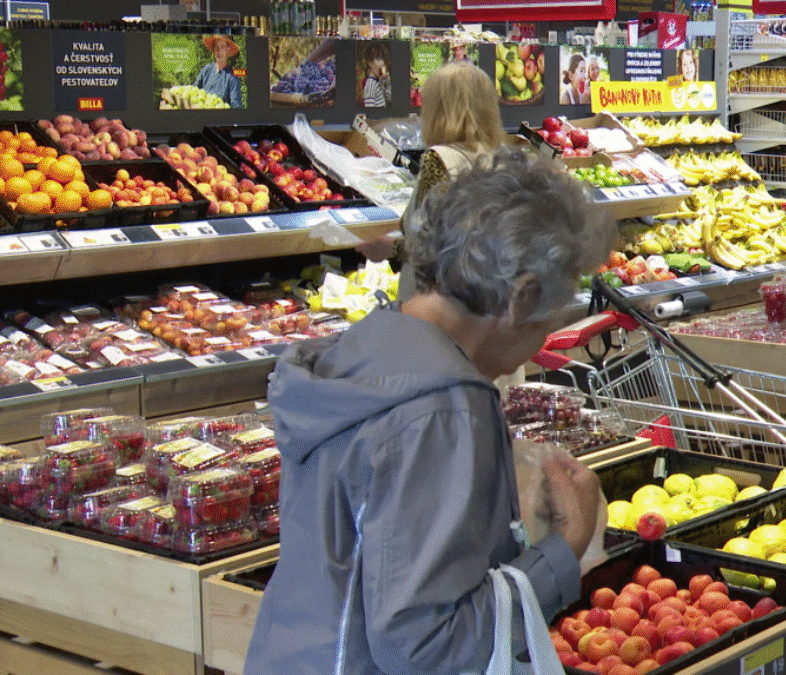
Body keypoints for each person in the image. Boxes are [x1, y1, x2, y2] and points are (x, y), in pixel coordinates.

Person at [243, 148, 614, 675]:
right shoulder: (442, 408)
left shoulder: (365, 351)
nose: (541, 342)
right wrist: (563, 548)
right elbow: (424, 645)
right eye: (552, 316)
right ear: (523, 297)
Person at [355, 61, 506, 300]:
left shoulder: (439, 160)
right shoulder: (499, 159)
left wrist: (389, 248)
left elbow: (433, 247)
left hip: (436, 300)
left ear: (441, 110)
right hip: (480, 298)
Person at [195, 35, 243, 108]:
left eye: (222, 47)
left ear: (227, 49)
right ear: (213, 50)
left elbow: (236, 105)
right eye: (216, 47)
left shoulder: (232, 77)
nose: (219, 51)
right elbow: (194, 90)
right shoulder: (206, 70)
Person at [360, 42, 391, 108]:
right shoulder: (370, 85)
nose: (382, 63)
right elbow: (370, 110)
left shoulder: (379, 81)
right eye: (378, 59)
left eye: (382, 59)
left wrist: (386, 83)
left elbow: (389, 98)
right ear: (370, 62)